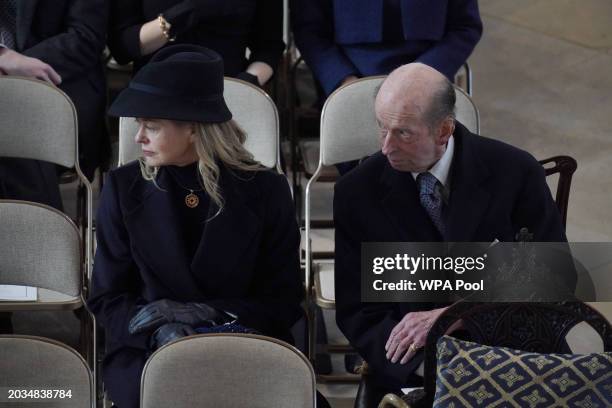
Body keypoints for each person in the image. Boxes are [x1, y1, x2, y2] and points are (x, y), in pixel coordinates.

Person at [333, 63, 574, 403]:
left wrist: (455, 316)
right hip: (415, 367)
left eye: (402, 133)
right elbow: (358, 312)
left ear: (444, 131)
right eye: (381, 128)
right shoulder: (356, 193)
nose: (386, 147)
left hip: (513, 350)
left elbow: (554, 282)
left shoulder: (517, 172)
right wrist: (432, 368)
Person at [87, 45, 303, 408]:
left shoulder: (266, 190)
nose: (138, 137)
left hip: (244, 345)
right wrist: (160, 332)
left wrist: (212, 314)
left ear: (193, 127)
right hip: (148, 354)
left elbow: (283, 299)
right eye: (139, 125)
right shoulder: (123, 188)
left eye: (151, 127)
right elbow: (107, 297)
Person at [0, 0, 109, 208]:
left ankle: (37, 233)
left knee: (15, 128)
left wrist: (14, 66)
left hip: (59, 86)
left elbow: (85, 38)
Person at [291, 0, 482, 96]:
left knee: (429, 152)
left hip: (428, 78)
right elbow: (309, 30)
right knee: (364, 160)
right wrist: (345, 81)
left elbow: (465, 26)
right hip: (351, 82)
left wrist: (422, 76)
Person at [107, 0, 284, 86]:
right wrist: (184, 12)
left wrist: (246, 84)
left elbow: (269, 48)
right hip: (158, 91)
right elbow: (123, 48)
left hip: (228, 89)